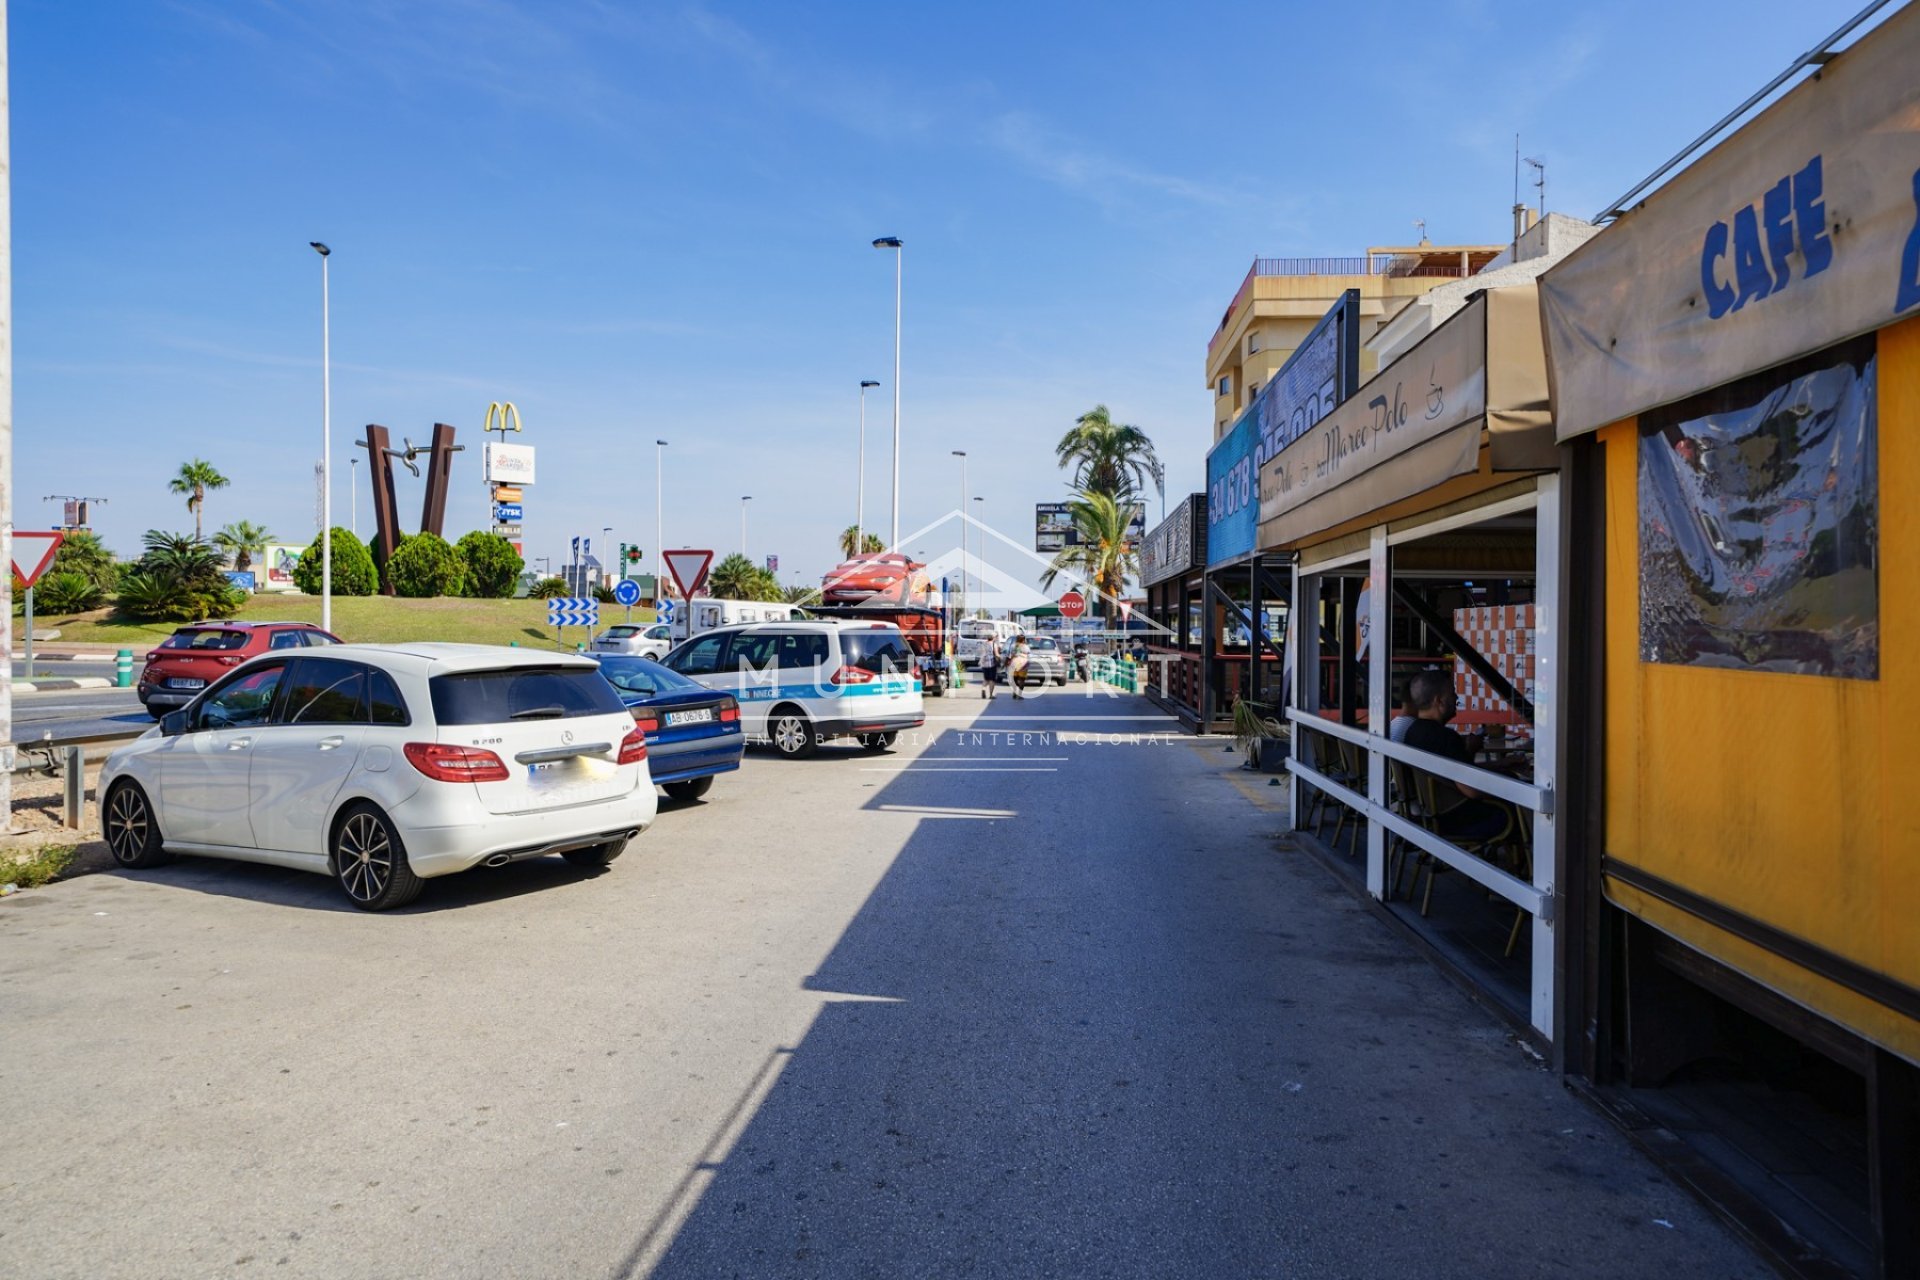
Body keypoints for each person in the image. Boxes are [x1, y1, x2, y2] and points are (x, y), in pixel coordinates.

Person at [1400, 669, 1508, 844]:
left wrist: (1500, 764)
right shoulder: (1446, 738)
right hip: (1458, 821)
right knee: (1520, 810)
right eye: (1452, 693)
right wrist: (1510, 787)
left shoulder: (1412, 732)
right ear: (1439, 701)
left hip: (1432, 817)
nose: (1457, 698)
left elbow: (1453, 777)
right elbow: (1471, 790)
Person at [979, 635, 1000, 699]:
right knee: (992, 680)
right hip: (992, 664)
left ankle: (983, 689)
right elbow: (996, 654)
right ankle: (991, 695)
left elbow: (981, 653)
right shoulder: (994, 644)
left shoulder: (983, 644)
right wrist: (1000, 658)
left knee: (986, 679)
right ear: (993, 638)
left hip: (984, 663)